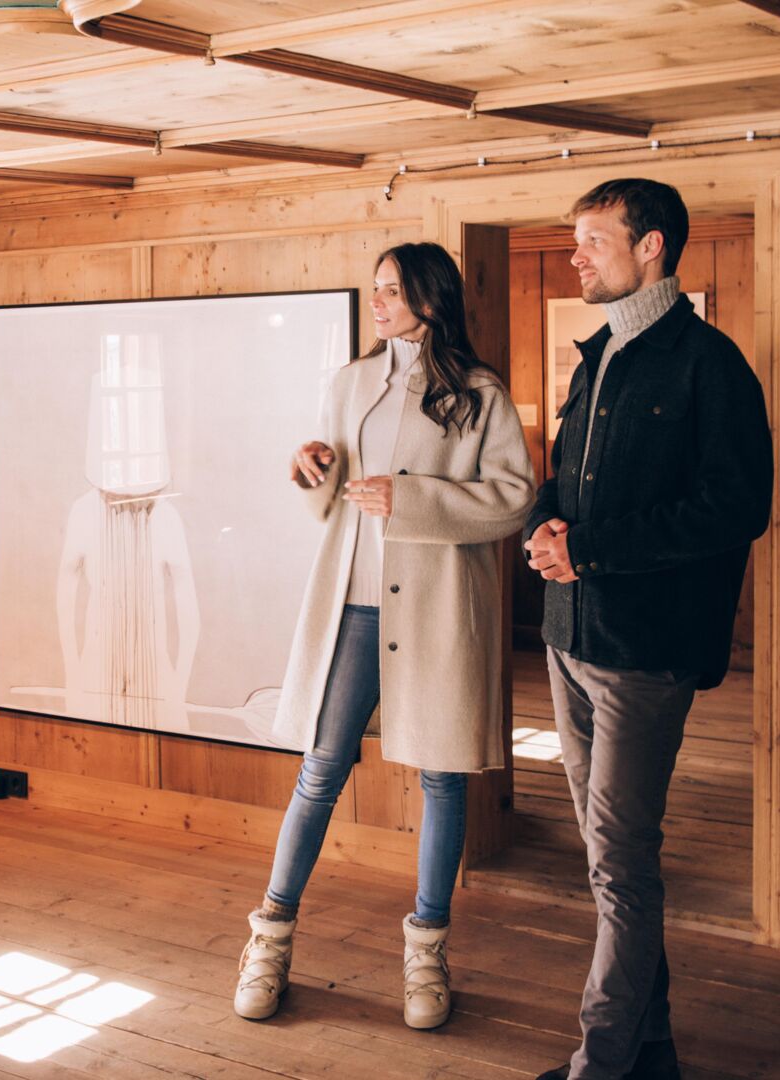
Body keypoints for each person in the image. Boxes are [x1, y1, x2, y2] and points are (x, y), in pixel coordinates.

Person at [233, 242, 537, 1030]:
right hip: (353, 607)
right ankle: (268, 940)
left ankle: (428, 955)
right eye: (374, 290)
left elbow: (511, 500)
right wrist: (311, 469)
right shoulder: (349, 383)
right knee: (320, 770)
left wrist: (413, 500)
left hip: (436, 611)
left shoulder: (479, 393)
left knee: (442, 779)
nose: (378, 302)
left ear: (431, 297)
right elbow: (332, 499)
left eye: (392, 290)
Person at [522, 179, 772, 1080]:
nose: (576, 255)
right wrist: (545, 529)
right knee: (607, 858)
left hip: (645, 654)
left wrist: (589, 549)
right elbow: (563, 481)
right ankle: (650, 1051)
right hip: (567, 640)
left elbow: (735, 507)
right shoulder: (596, 358)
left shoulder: (712, 365)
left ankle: (602, 1064)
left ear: (652, 246)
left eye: (592, 239)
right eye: (574, 239)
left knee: (620, 865)